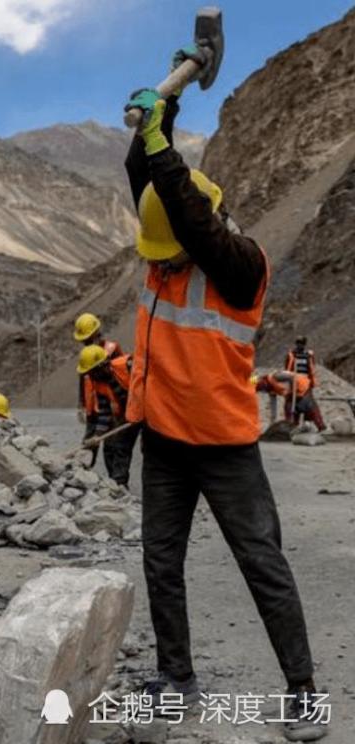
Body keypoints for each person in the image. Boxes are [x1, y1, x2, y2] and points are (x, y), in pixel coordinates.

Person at [123, 78, 325, 741]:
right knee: (160, 562)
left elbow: (186, 213)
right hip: (166, 445)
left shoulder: (239, 265)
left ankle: (302, 691)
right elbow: (149, 183)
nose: (164, 258)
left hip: (224, 445)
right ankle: (177, 677)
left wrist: (162, 142)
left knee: (261, 561)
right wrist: (163, 111)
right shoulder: (168, 255)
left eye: (178, 238)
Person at [77, 345, 139, 487]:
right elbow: (105, 412)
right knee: (119, 446)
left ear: (101, 366)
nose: (90, 376)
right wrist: (97, 435)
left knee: (154, 449)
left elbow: (151, 385)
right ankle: (119, 485)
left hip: (149, 410)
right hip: (128, 414)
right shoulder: (98, 383)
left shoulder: (128, 365)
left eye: (91, 372)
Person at [73, 313, 123, 424]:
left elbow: (122, 378)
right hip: (92, 405)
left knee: (111, 438)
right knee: (91, 437)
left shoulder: (112, 349)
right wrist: (81, 405)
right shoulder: (86, 354)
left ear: (95, 334)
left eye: (86, 339)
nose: (84, 342)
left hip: (112, 404)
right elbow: (82, 378)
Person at [256, 371, 326, 432]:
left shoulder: (276, 376)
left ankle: (321, 427)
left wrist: (292, 389)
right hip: (291, 394)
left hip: (302, 386)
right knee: (289, 409)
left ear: (265, 384)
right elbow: (273, 405)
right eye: (262, 390)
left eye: (263, 389)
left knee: (309, 407)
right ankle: (292, 428)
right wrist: (273, 420)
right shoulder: (270, 389)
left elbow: (292, 377)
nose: (264, 391)